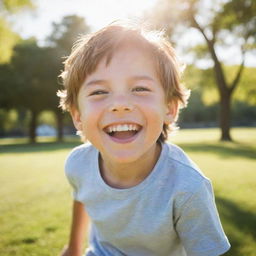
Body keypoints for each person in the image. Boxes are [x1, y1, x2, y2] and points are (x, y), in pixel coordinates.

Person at [58, 21, 231, 256]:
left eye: (139, 88)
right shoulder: (78, 163)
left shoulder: (188, 187)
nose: (120, 105)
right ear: (78, 116)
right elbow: (82, 197)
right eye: (99, 92)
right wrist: (73, 248)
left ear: (169, 108)